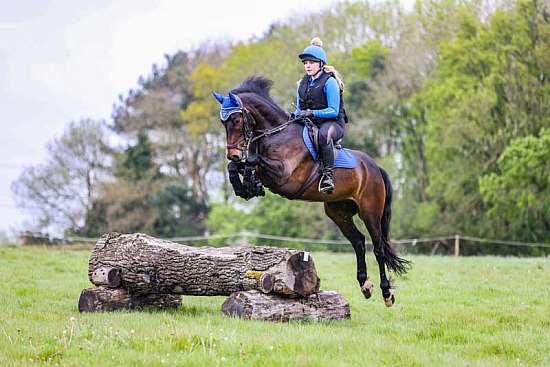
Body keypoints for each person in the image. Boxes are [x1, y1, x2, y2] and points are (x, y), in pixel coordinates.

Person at [295, 37, 346, 194]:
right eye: (305, 63)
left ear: (320, 64)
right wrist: (294, 116)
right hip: (311, 123)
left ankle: (328, 176)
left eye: (311, 62)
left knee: (323, 136)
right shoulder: (301, 84)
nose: (307, 66)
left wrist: (311, 112)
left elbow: (333, 110)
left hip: (333, 123)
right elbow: (298, 109)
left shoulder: (330, 82)